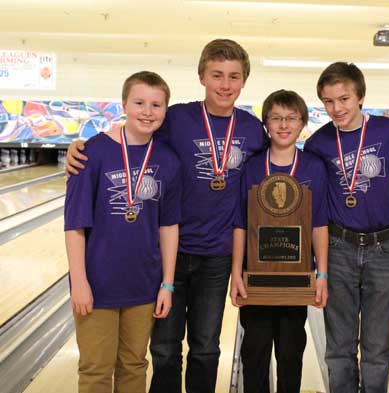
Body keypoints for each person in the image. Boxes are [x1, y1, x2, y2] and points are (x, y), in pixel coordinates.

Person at [65, 39, 268, 393]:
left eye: (233, 76)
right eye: (216, 74)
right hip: (165, 255)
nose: (225, 84)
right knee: (162, 347)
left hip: (217, 254)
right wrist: (78, 147)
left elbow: (276, 167)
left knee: (205, 347)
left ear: (244, 81)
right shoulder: (176, 118)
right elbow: (131, 138)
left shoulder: (252, 130)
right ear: (202, 76)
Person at [64, 70, 181, 393]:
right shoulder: (91, 153)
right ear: (124, 105)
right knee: (96, 370)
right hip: (97, 285)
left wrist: (167, 284)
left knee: (134, 365)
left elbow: (168, 226)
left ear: (165, 110)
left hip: (144, 283)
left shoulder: (168, 160)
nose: (147, 111)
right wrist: (80, 282)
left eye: (156, 105)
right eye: (139, 102)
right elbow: (74, 225)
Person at [303, 62, 389, 393]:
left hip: (386, 248)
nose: (337, 108)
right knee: (339, 349)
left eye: (344, 99)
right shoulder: (318, 144)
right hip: (339, 248)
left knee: (377, 350)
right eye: (328, 101)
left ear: (360, 97)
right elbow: (314, 207)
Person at [229, 89, 329, 393]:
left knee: (290, 353)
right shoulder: (252, 166)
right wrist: (236, 272)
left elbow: (319, 224)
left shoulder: (313, 166)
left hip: (296, 279)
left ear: (302, 124)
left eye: (291, 118)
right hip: (257, 277)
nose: (284, 125)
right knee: (255, 352)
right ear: (266, 124)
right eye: (276, 118)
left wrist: (321, 273)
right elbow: (240, 223)